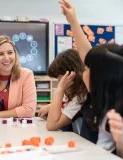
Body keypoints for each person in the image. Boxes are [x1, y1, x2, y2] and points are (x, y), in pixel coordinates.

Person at [59, 0, 123, 153]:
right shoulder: (95, 97)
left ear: (101, 77)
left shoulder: (117, 109)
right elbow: (87, 54)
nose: (83, 72)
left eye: (87, 69)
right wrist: (73, 21)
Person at [38, 49, 87, 132]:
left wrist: (60, 89)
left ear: (71, 75)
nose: (59, 83)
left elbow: (51, 125)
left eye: (60, 80)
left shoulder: (81, 97)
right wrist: (52, 107)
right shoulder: (77, 95)